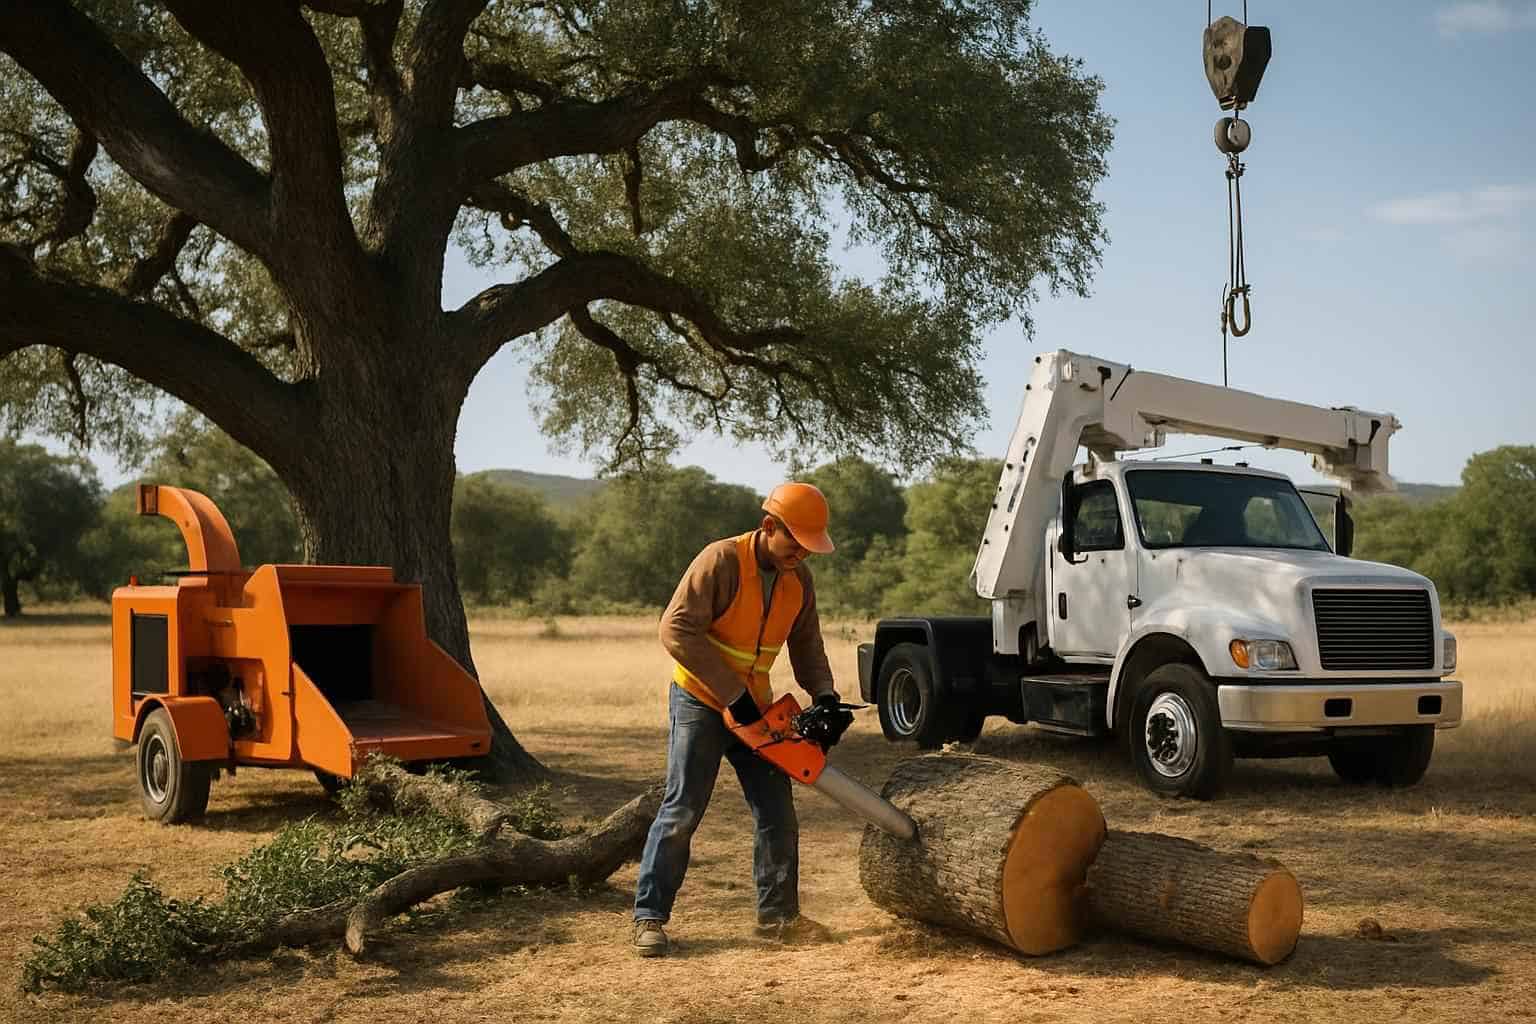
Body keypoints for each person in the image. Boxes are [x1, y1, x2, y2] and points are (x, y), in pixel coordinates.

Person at [632, 481, 845, 957]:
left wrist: (826, 696)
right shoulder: (721, 560)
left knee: (777, 812)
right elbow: (676, 627)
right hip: (700, 700)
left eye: (810, 549)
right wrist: (731, 695)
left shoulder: (799, 581)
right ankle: (649, 917)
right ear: (769, 526)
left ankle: (778, 920)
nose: (801, 556)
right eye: (795, 544)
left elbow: (807, 644)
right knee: (683, 807)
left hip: (758, 709)